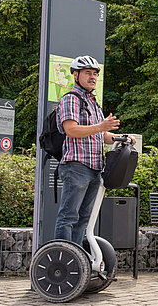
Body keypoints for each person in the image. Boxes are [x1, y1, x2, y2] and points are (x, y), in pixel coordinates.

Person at [54, 55, 127, 244]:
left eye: (95, 73)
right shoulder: (71, 99)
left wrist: (123, 138)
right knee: (68, 217)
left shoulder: (93, 102)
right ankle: (63, 259)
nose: (92, 77)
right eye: (88, 73)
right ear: (76, 75)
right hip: (76, 166)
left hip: (95, 168)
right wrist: (101, 126)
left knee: (83, 219)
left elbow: (100, 135)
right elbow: (71, 130)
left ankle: (77, 261)